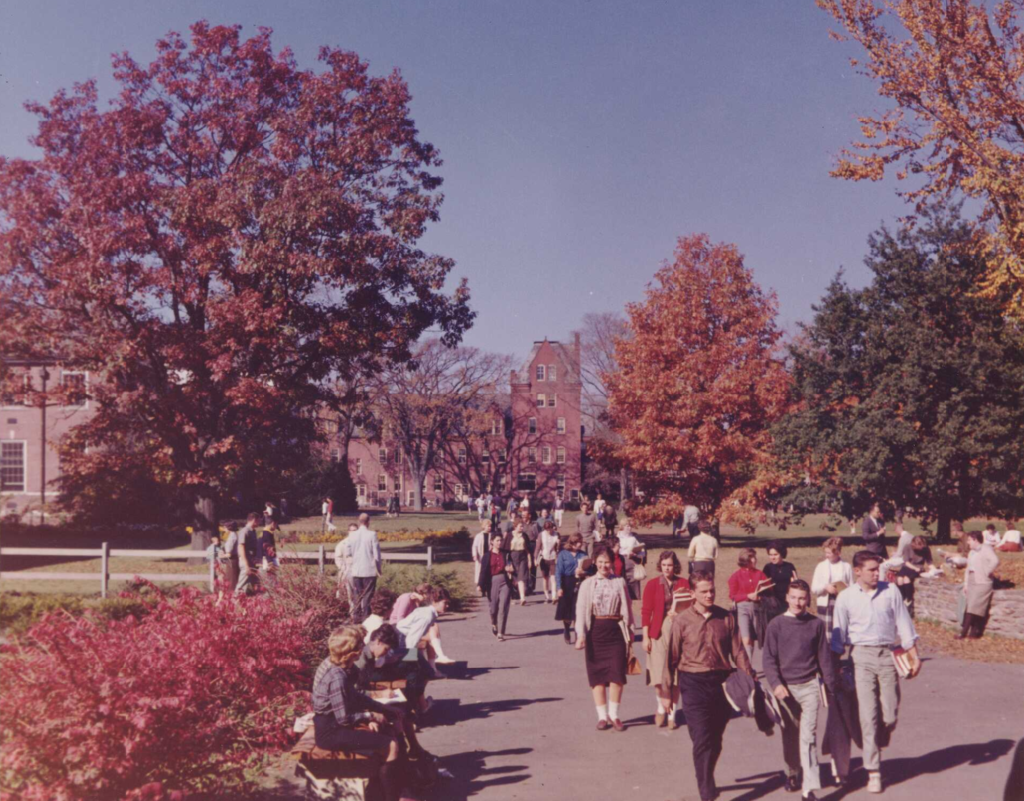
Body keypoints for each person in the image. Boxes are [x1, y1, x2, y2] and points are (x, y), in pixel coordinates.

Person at [831, 550, 921, 794]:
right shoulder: (846, 597)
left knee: (889, 714)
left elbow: (903, 622)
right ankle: (874, 771)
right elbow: (838, 635)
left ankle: (882, 735)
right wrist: (833, 663)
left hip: (887, 656)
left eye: (877, 568)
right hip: (861, 657)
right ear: (857, 571)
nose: (876, 573)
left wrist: (913, 652)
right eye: (871, 569)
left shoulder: (890, 591)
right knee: (867, 715)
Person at [666, 570, 756, 801]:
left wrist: (749, 682)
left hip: (720, 684)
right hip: (692, 683)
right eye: (704, 591)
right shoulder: (682, 620)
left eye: (712, 590)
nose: (709, 595)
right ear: (693, 593)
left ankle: (708, 777)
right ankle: (706, 793)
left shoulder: (726, 617)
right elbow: (672, 657)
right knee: (701, 738)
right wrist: (668, 693)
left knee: (715, 740)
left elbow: (738, 652)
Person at [311, 625, 411, 801]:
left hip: (333, 725)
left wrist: (383, 709)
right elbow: (343, 719)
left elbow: (356, 697)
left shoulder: (339, 666)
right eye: (359, 646)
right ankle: (393, 796)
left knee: (388, 729)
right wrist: (370, 716)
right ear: (352, 652)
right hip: (330, 732)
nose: (362, 648)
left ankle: (392, 788)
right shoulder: (337, 677)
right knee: (390, 745)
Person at [764, 580, 837, 801]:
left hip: (809, 687)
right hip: (785, 689)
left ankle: (809, 788)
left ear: (809, 599)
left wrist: (832, 687)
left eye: (802, 598)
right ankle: (792, 772)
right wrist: (776, 684)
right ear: (787, 597)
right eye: (794, 597)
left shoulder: (815, 624)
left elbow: (824, 659)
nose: (798, 602)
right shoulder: (776, 625)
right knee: (790, 734)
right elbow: (768, 660)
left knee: (808, 737)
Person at [575, 547, 634, 732]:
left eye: (607, 561)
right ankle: (602, 717)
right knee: (597, 676)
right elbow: (580, 611)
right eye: (600, 561)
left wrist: (630, 633)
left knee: (617, 675)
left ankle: (614, 715)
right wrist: (581, 635)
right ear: (594, 562)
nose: (603, 565)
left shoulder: (619, 582)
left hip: (615, 632)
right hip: (595, 633)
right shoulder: (587, 584)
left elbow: (628, 609)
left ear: (612, 562)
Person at [642, 551, 691, 729]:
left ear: (675, 565)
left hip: (679, 630)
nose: (667, 568)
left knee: (676, 674)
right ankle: (661, 707)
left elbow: (691, 605)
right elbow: (646, 612)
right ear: (660, 566)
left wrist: (678, 613)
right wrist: (646, 636)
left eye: (669, 565)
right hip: (658, 631)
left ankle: (672, 714)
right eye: (663, 565)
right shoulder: (652, 584)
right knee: (658, 672)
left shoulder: (684, 583)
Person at [395, 587, 453, 675]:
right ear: (434, 602)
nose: (447, 606)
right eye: (445, 603)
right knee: (412, 672)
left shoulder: (429, 612)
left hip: (404, 636)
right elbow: (411, 639)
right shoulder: (427, 616)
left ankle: (438, 658)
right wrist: (411, 659)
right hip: (400, 637)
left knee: (422, 671)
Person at [727, 548, 768, 661]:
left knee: (758, 637)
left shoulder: (760, 574)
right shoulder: (735, 576)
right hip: (742, 609)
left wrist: (759, 597)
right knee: (746, 638)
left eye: (755, 557)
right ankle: (749, 668)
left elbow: (768, 592)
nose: (755, 560)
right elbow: (732, 596)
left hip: (758, 608)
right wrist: (747, 596)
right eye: (752, 558)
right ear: (746, 560)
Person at [959, 530, 999, 640]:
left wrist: (987, 572)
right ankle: (973, 633)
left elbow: (995, 561)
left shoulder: (986, 549)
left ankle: (963, 633)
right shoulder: (972, 552)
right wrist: (966, 584)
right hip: (972, 581)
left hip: (982, 582)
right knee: (971, 607)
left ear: (976, 540)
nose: (968, 542)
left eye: (969, 540)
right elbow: (968, 569)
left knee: (974, 607)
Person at [479, 533, 514, 640]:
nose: (499, 543)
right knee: (493, 608)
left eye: (500, 540)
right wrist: (480, 585)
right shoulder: (487, 556)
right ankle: (494, 623)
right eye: (497, 541)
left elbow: (512, 566)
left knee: (504, 606)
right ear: (492, 542)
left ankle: (501, 632)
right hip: (492, 582)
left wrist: (511, 569)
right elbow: (483, 571)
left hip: (505, 582)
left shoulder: (506, 554)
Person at [349, 513, 382, 623]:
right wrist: (379, 568)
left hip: (356, 570)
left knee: (357, 594)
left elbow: (349, 552)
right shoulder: (372, 534)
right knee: (368, 594)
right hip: (369, 569)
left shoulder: (352, 535)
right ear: (368, 522)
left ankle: (356, 616)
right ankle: (366, 616)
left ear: (359, 521)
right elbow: (376, 554)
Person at [555, 533, 588, 644]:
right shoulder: (563, 554)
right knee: (567, 609)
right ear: (573, 543)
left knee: (578, 609)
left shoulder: (583, 554)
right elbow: (558, 571)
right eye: (579, 542)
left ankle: (578, 632)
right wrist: (559, 587)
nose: (581, 544)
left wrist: (584, 572)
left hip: (580, 583)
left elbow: (591, 569)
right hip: (566, 582)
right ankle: (567, 628)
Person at [760, 541, 797, 631]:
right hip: (773, 604)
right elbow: (764, 587)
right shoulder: (767, 568)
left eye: (775, 554)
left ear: (782, 554)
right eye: (770, 555)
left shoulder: (789, 566)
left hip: (787, 602)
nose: (772, 557)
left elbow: (795, 583)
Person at [503, 520, 532, 606]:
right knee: (513, 578)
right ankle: (513, 595)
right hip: (512, 556)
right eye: (520, 526)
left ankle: (522, 598)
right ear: (515, 526)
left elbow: (528, 550)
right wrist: (508, 563)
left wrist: (529, 560)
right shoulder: (509, 535)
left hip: (523, 556)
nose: (522, 528)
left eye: (522, 526)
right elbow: (505, 550)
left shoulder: (524, 536)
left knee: (521, 577)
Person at [234, 512, 262, 596]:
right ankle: (234, 603)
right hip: (246, 562)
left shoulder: (253, 531)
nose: (260, 522)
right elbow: (241, 548)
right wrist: (246, 565)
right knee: (241, 586)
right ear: (254, 520)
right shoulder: (244, 531)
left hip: (252, 562)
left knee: (256, 584)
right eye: (259, 520)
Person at [616, 522, 645, 601]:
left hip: (632, 561)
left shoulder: (633, 538)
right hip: (621, 561)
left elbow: (642, 551)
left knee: (633, 581)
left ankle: (633, 599)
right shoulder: (617, 538)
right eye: (627, 526)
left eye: (630, 526)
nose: (629, 528)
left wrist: (636, 554)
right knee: (622, 582)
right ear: (622, 527)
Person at [535, 519, 561, 603]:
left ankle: (554, 596)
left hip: (553, 558)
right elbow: (538, 547)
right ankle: (546, 595)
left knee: (553, 578)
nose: (549, 530)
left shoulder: (557, 535)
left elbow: (559, 549)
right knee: (545, 578)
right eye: (547, 529)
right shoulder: (541, 535)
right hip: (544, 558)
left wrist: (559, 543)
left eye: (550, 528)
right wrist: (535, 559)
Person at [471, 520, 490, 594]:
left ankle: (487, 587)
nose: (489, 528)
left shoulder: (491, 535)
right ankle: (481, 587)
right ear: (484, 526)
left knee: (488, 572)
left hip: (489, 557)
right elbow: (474, 546)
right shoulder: (478, 536)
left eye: (490, 526)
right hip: (481, 557)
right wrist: (475, 555)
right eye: (488, 526)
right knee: (480, 572)